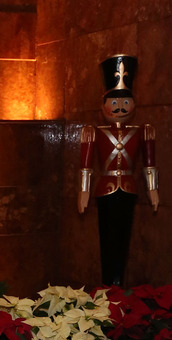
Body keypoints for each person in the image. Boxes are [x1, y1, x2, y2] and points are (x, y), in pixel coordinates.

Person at [78, 54, 159, 286]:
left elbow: (149, 163)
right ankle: (108, 285)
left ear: (134, 104)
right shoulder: (94, 132)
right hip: (105, 189)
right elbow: (85, 165)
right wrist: (83, 191)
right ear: (103, 105)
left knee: (124, 237)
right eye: (114, 103)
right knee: (108, 238)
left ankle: (117, 283)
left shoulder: (143, 131)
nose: (121, 107)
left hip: (129, 189)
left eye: (125, 102)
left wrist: (153, 190)